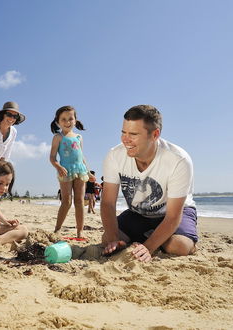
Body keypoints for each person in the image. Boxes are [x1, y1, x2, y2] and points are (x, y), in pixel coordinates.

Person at [101, 105, 198, 262]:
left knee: (179, 247)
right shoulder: (114, 156)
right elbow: (107, 203)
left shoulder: (178, 160)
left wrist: (148, 248)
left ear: (155, 134)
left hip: (174, 213)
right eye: (123, 132)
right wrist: (113, 240)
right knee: (107, 239)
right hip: (139, 213)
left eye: (133, 134)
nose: (125, 139)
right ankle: (153, 236)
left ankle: (159, 239)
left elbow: (173, 216)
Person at [49, 105, 94, 238]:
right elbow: (52, 157)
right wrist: (58, 167)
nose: (67, 122)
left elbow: (82, 156)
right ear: (58, 122)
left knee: (79, 201)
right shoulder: (58, 137)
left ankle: (80, 231)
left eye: (70, 119)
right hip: (65, 171)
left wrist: (88, 172)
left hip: (80, 171)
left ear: (75, 120)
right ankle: (57, 229)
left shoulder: (79, 137)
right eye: (63, 119)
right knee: (66, 201)